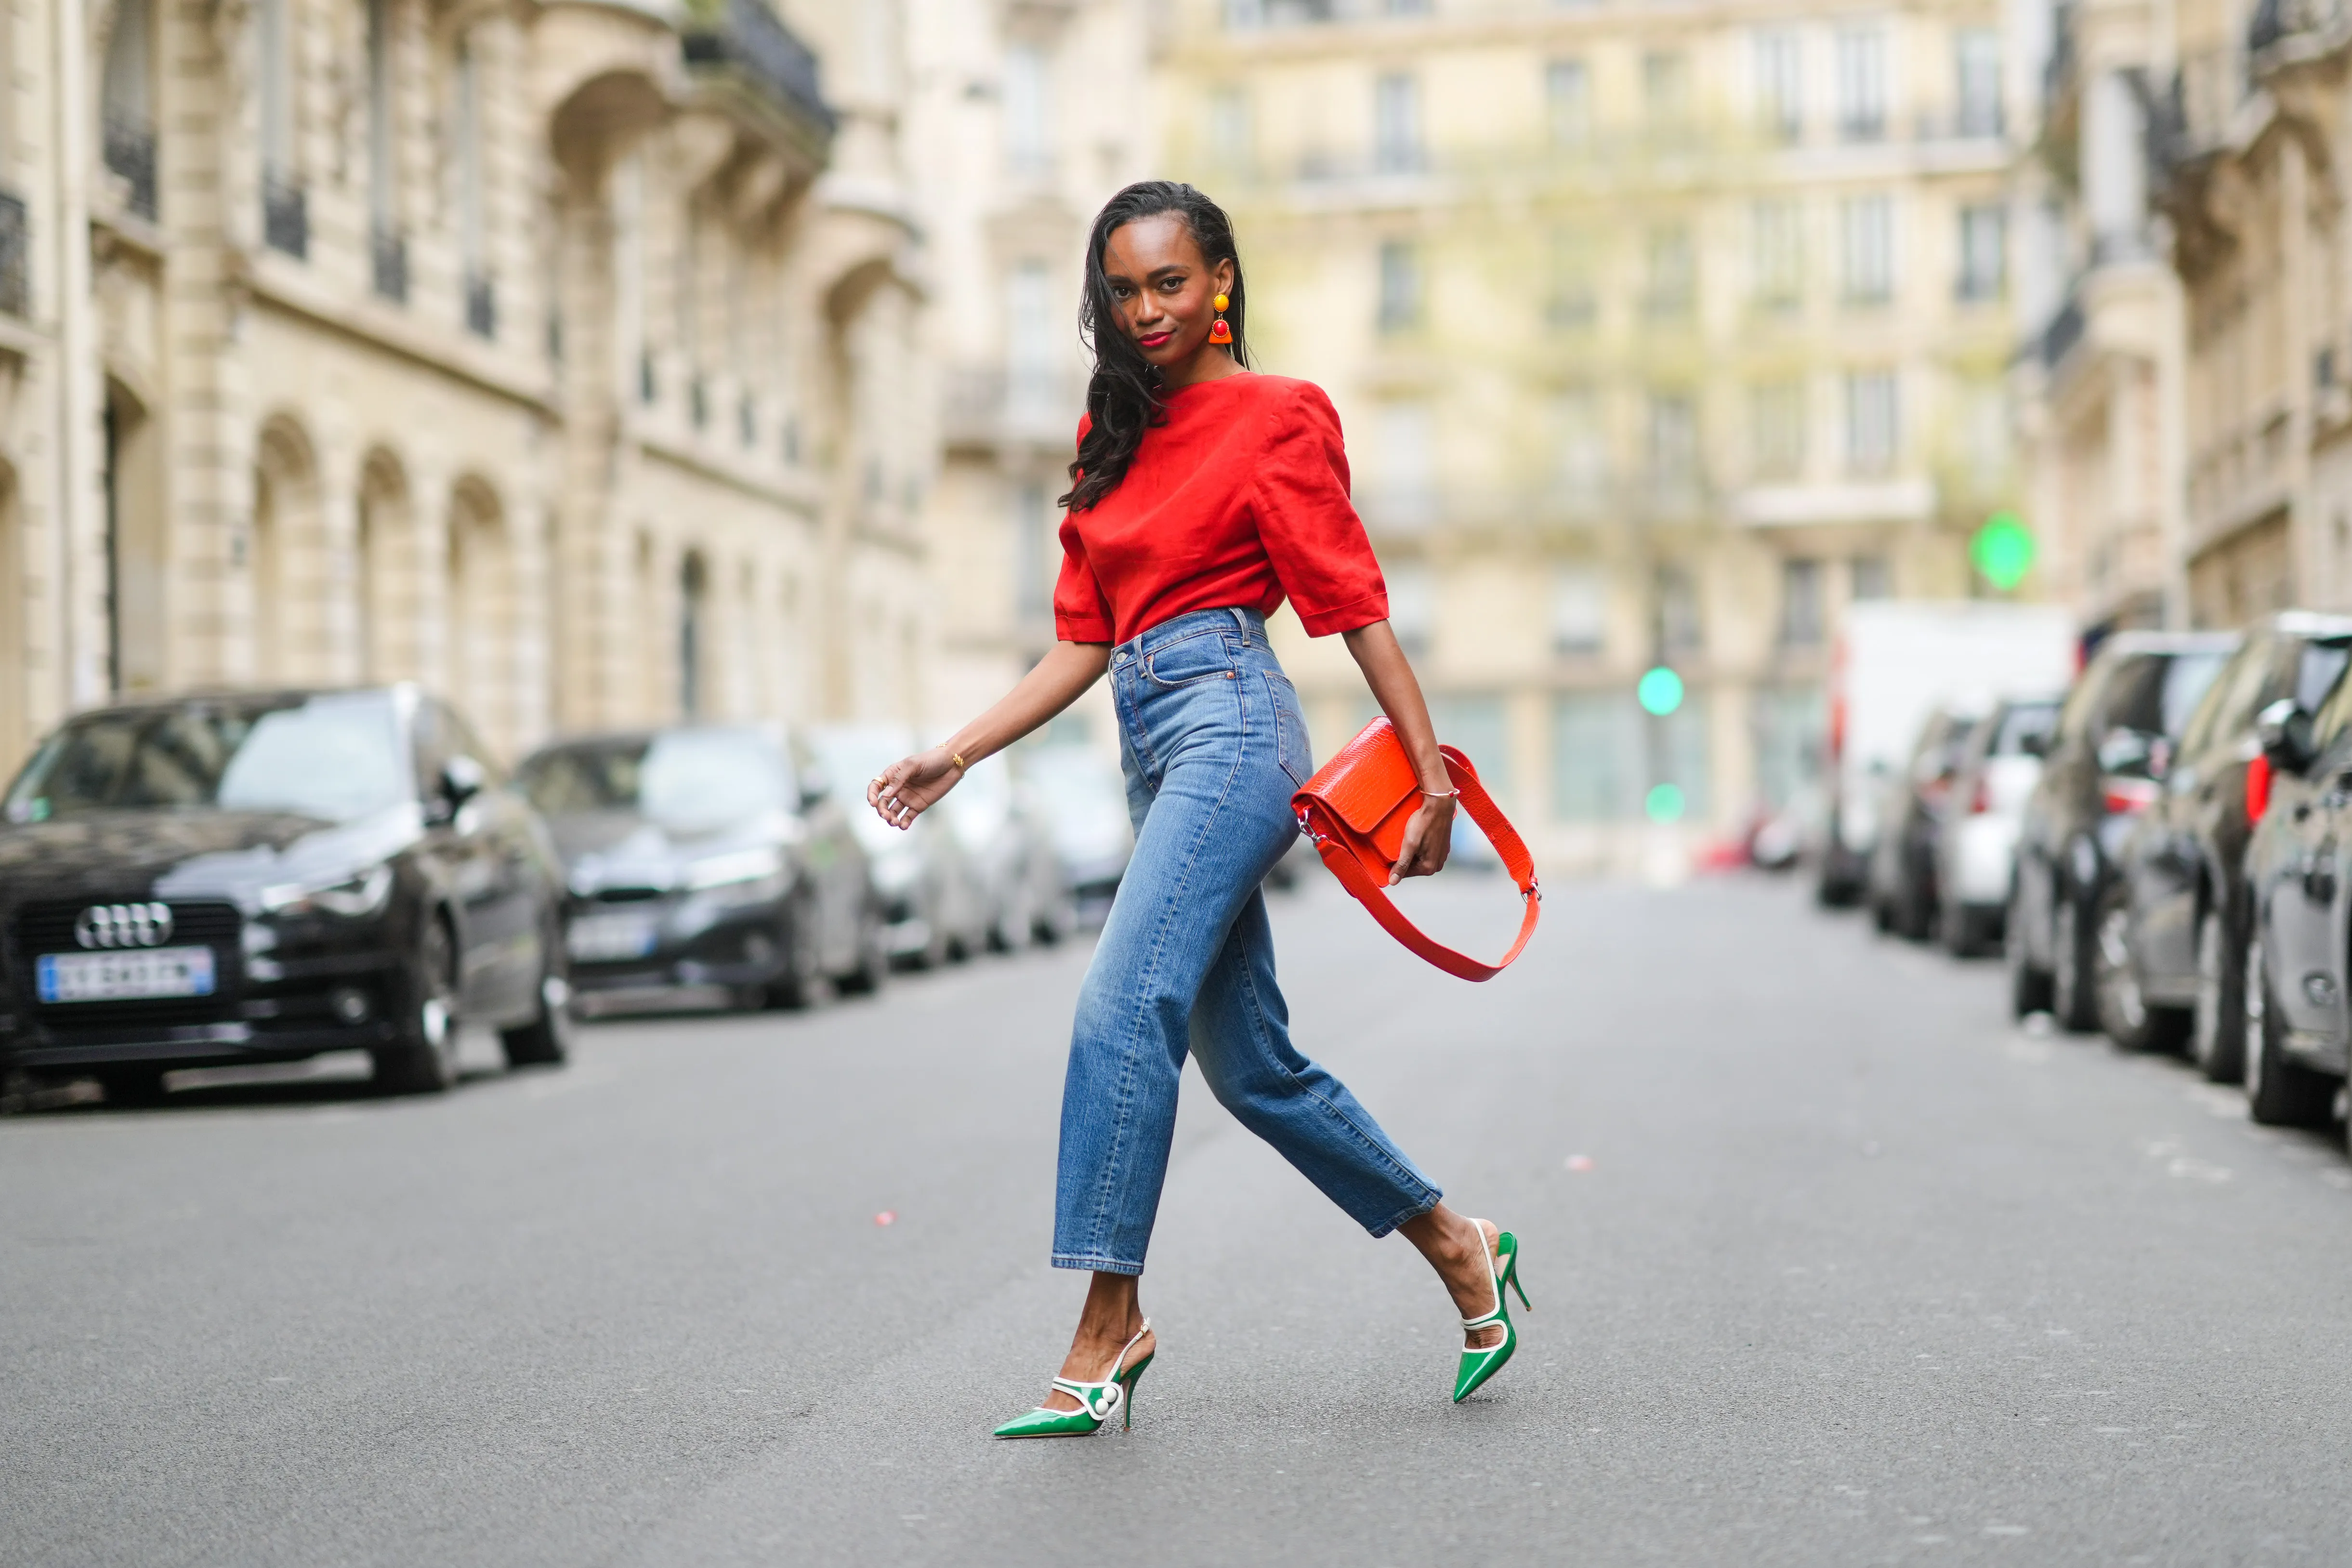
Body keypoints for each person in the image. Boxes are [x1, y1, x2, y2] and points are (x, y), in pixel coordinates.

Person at [864, 182, 1527, 1437]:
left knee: (1124, 1001)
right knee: (1250, 1064)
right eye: (1123, 289)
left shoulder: (1278, 416)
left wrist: (1434, 776)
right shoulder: (1106, 438)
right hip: (1151, 740)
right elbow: (1081, 643)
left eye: (1171, 281)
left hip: (1234, 721)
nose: (1148, 308)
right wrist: (959, 748)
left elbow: (1351, 603)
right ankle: (1460, 1245)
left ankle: (1110, 1321)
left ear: (1221, 278)